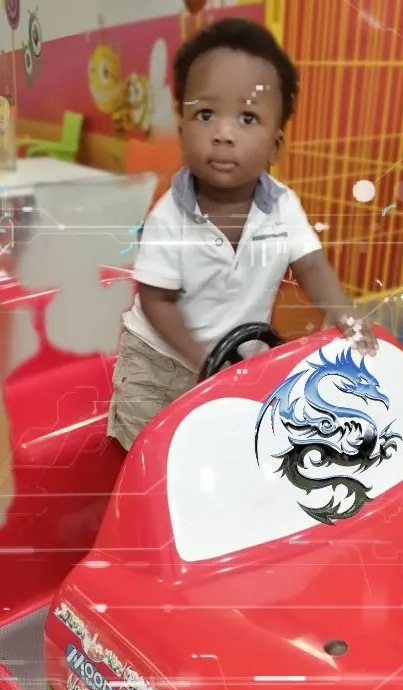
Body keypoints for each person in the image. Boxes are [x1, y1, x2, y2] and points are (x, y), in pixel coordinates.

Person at [108, 17, 377, 452]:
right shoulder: (172, 214)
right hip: (158, 365)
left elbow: (311, 264)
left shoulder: (283, 206)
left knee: (225, 449)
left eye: (248, 118)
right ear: (183, 129)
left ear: (275, 145)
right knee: (151, 459)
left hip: (235, 359)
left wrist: (343, 314)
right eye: (206, 114)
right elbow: (156, 300)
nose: (224, 133)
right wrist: (202, 362)